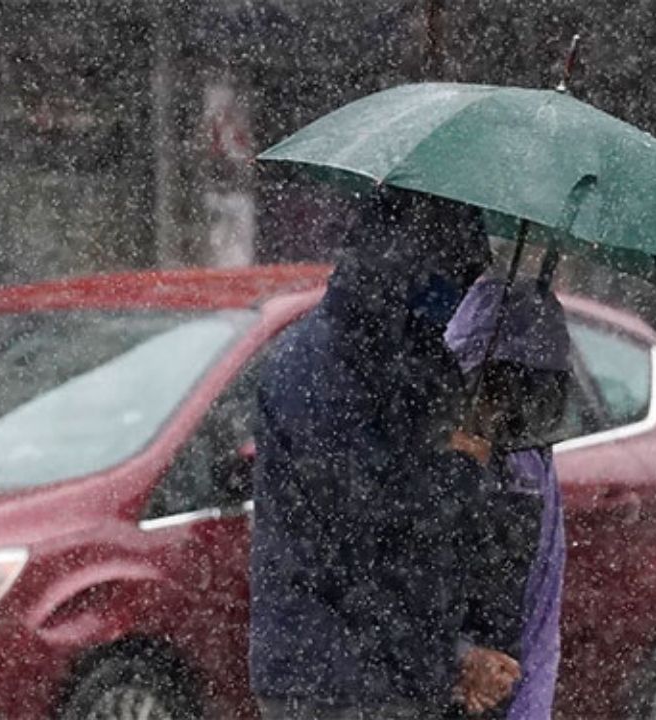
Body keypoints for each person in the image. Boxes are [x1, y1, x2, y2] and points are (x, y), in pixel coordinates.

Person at [249, 191, 521, 720]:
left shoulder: (402, 357)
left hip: (385, 672)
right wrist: (461, 470)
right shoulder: (322, 365)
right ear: (408, 262)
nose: (457, 289)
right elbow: (364, 515)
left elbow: (424, 547)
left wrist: (454, 654)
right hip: (334, 679)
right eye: (450, 267)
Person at [445, 278, 571, 720]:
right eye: (493, 386)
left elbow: (539, 617)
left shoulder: (529, 470)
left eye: (520, 391)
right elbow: (386, 597)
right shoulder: (420, 460)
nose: (502, 410)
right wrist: (455, 660)